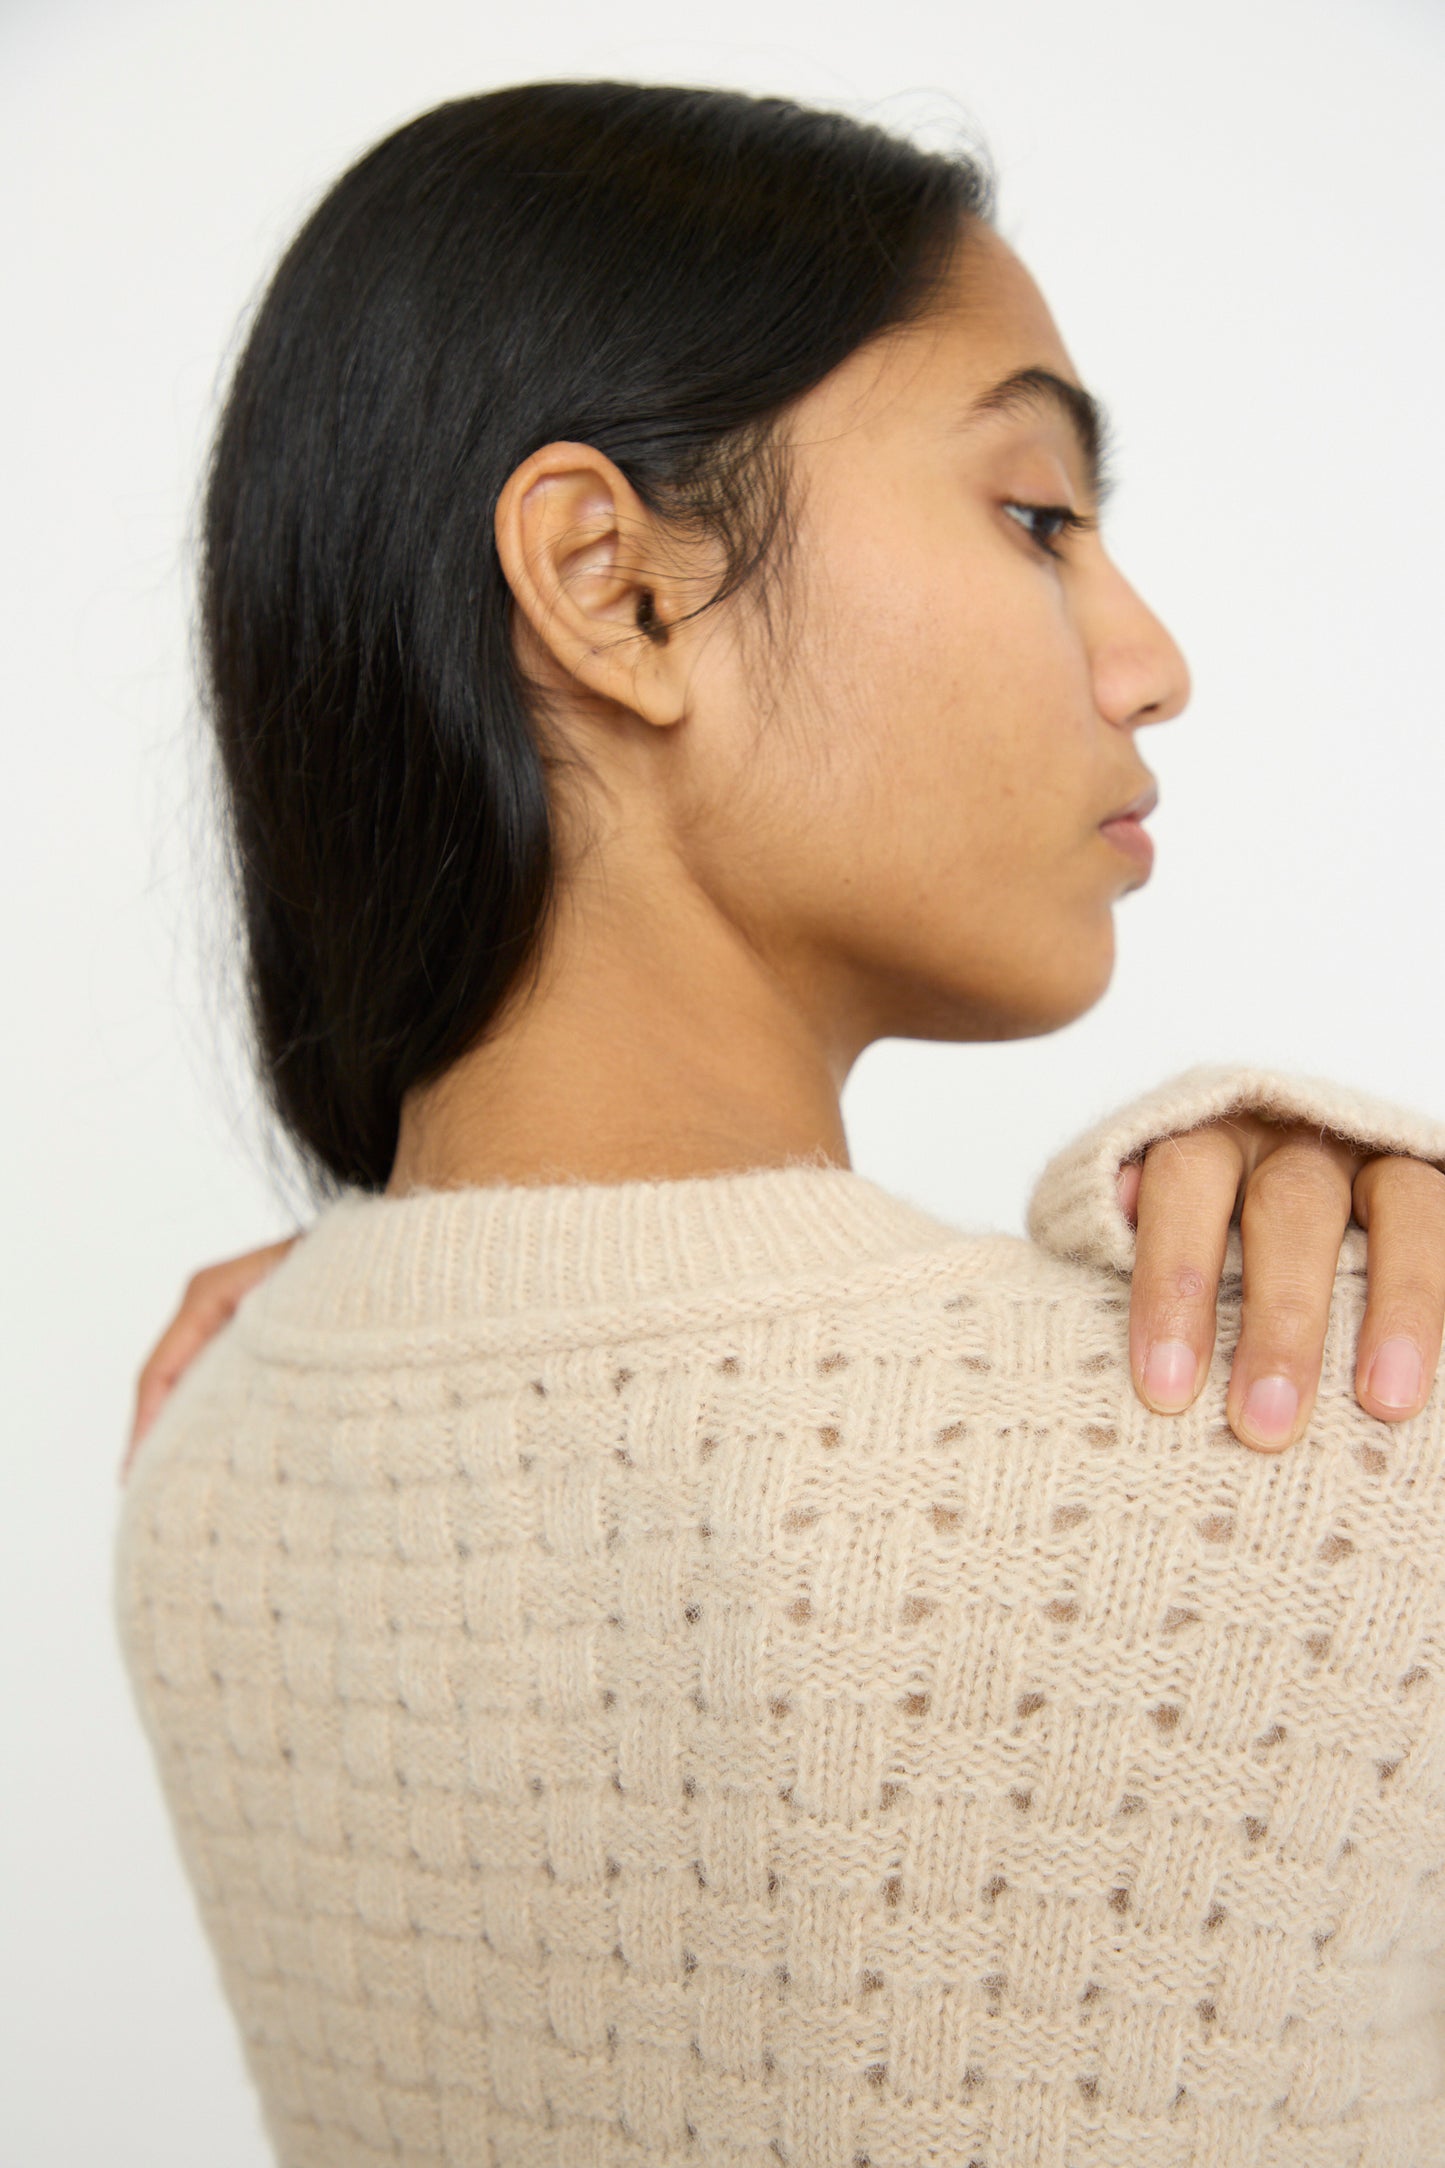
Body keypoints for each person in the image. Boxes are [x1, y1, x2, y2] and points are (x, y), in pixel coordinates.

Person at [114, 81, 1445, 2166]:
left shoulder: (197, 1464)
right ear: (613, 584)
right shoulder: (1326, 1423)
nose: (1151, 659)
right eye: (1037, 515)